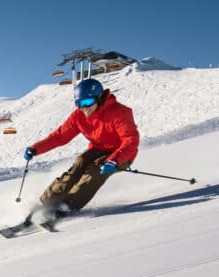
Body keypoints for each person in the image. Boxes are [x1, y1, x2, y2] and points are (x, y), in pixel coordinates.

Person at [22, 77, 140, 220]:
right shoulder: (79, 116)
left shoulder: (119, 112)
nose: (85, 108)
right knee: (80, 162)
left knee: (96, 170)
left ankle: (67, 206)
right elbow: (60, 136)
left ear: (99, 97)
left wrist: (115, 160)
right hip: (98, 150)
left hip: (122, 153)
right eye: (80, 103)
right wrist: (36, 148)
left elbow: (131, 141)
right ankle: (46, 203)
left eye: (88, 102)